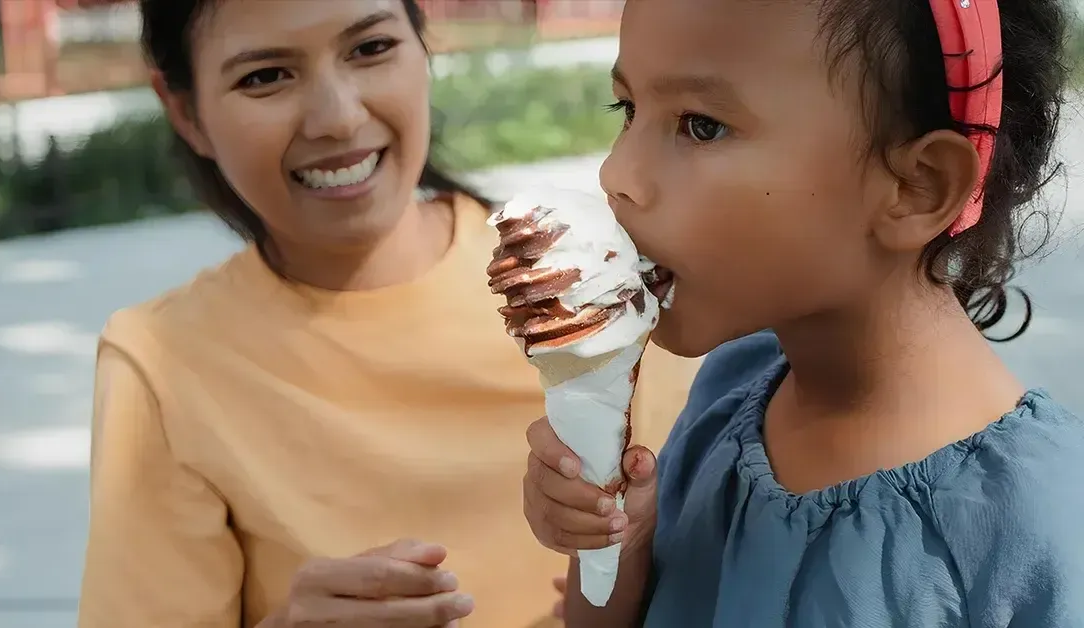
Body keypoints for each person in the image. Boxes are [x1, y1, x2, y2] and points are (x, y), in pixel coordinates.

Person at [77, 1, 698, 627]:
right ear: (186, 112)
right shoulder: (162, 362)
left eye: (370, 48)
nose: (339, 118)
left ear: (423, 42)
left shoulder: (602, 282)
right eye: (264, 76)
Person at [523, 0, 1083, 625]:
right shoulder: (727, 393)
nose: (615, 173)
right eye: (628, 110)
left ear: (916, 185)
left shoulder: (1042, 523)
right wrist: (617, 545)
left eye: (700, 125)